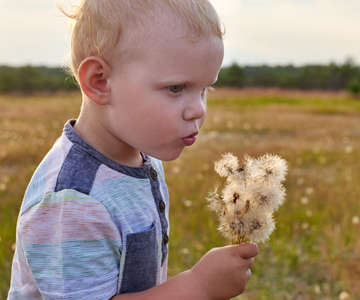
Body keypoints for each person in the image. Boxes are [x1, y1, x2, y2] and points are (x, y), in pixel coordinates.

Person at [7, 1, 258, 299]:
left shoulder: (141, 158)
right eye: (176, 88)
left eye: (205, 89)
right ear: (100, 82)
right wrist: (197, 287)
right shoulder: (73, 202)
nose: (198, 110)